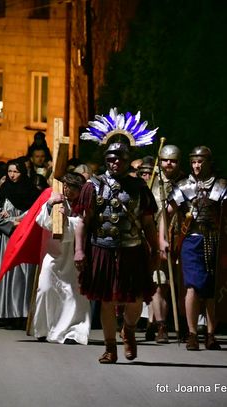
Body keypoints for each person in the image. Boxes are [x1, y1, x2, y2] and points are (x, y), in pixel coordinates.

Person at [77, 108, 160, 364]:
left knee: (136, 298)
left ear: (127, 160)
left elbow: (148, 223)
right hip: (102, 248)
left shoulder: (139, 187)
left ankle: (129, 330)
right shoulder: (93, 186)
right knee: (106, 300)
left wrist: (156, 249)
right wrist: (79, 250)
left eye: (120, 159)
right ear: (106, 159)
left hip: (132, 249)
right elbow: (83, 221)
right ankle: (110, 347)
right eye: (111, 159)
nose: (116, 163)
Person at [166, 146, 225, 351]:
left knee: (211, 288)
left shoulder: (221, 185)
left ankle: (210, 334)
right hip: (191, 240)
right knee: (191, 285)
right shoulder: (183, 186)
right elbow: (168, 212)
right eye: (193, 162)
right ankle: (192, 334)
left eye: (200, 162)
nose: (196, 166)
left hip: (214, 239)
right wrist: (164, 237)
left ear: (208, 163)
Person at [34, 172, 91, 344]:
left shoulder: (85, 204)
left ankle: (73, 332)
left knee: (73, 295)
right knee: (45, 288)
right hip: (54, 253)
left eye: (73, 188)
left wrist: (67, 219)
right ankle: (44, 329)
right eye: (66, 186)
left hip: (74, 253)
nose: (68, 191)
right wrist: (50, 205)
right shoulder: (57, 199)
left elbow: (83, 226)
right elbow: (42, 221)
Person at [142, 145, 184, 343]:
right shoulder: (152, 183)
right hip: (155, 237)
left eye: (173, 161)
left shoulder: (184, 184)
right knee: (158, 282)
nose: (169, 164)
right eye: (166, 160)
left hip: (179, 237)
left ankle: (155, 321)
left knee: (170, 285)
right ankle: (161, 326)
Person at [0, 159, 39, 329]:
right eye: (10, 171)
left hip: (25, 236)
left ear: (22, 173)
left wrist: (19, 221)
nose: (12, 175)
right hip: (8, 238)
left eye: (16, 172)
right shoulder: (3, 191)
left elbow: (35, 212)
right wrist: (11, 223)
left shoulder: (32, 192)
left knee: (24, 274)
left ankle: (24, 313)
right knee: (9, 272)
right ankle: (8, 313)